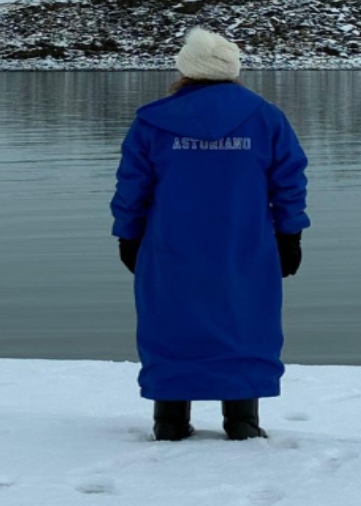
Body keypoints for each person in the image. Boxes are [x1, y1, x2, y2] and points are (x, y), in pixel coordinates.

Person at [110, 27, 310, 441]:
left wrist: (127, 236)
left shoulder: (152, 121)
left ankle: (169, 422)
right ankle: (242, 422)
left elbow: (132, 186)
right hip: (246, 247)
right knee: (244, 323)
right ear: (231, 69)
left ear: (187, 69)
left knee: (170, 325)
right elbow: (288, 182)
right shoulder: (265, 117)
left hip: (170, 247)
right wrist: (289, 235)